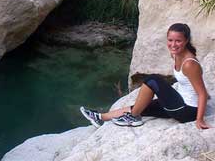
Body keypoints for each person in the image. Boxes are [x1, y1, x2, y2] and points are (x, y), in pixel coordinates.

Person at [80, 23, 210, 130]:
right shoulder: (176, 54)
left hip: (187, 111)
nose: (173, 44)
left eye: (178, 41)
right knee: (141, 106)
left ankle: (134, 117)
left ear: (186, 41)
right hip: (179, 103)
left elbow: (202, 93)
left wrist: (199, 120)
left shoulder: (189, 64)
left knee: (153, 80)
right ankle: (101, 117)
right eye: (170, 40)